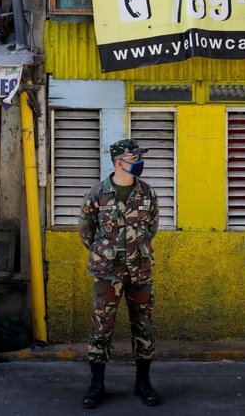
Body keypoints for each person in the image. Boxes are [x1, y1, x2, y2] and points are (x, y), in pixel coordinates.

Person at [78, 138, 160, 409]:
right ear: (119, 162)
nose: (139, 163)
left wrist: (136, 251)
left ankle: (143, 383)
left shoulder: (148, 193)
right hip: (107, 273)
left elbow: (151, 228)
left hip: (140, 272)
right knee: (101, 329)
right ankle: (97, 385)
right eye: (134, 158)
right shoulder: (97, 193)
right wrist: (106, 253)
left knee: (143, 327)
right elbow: (86, 231)